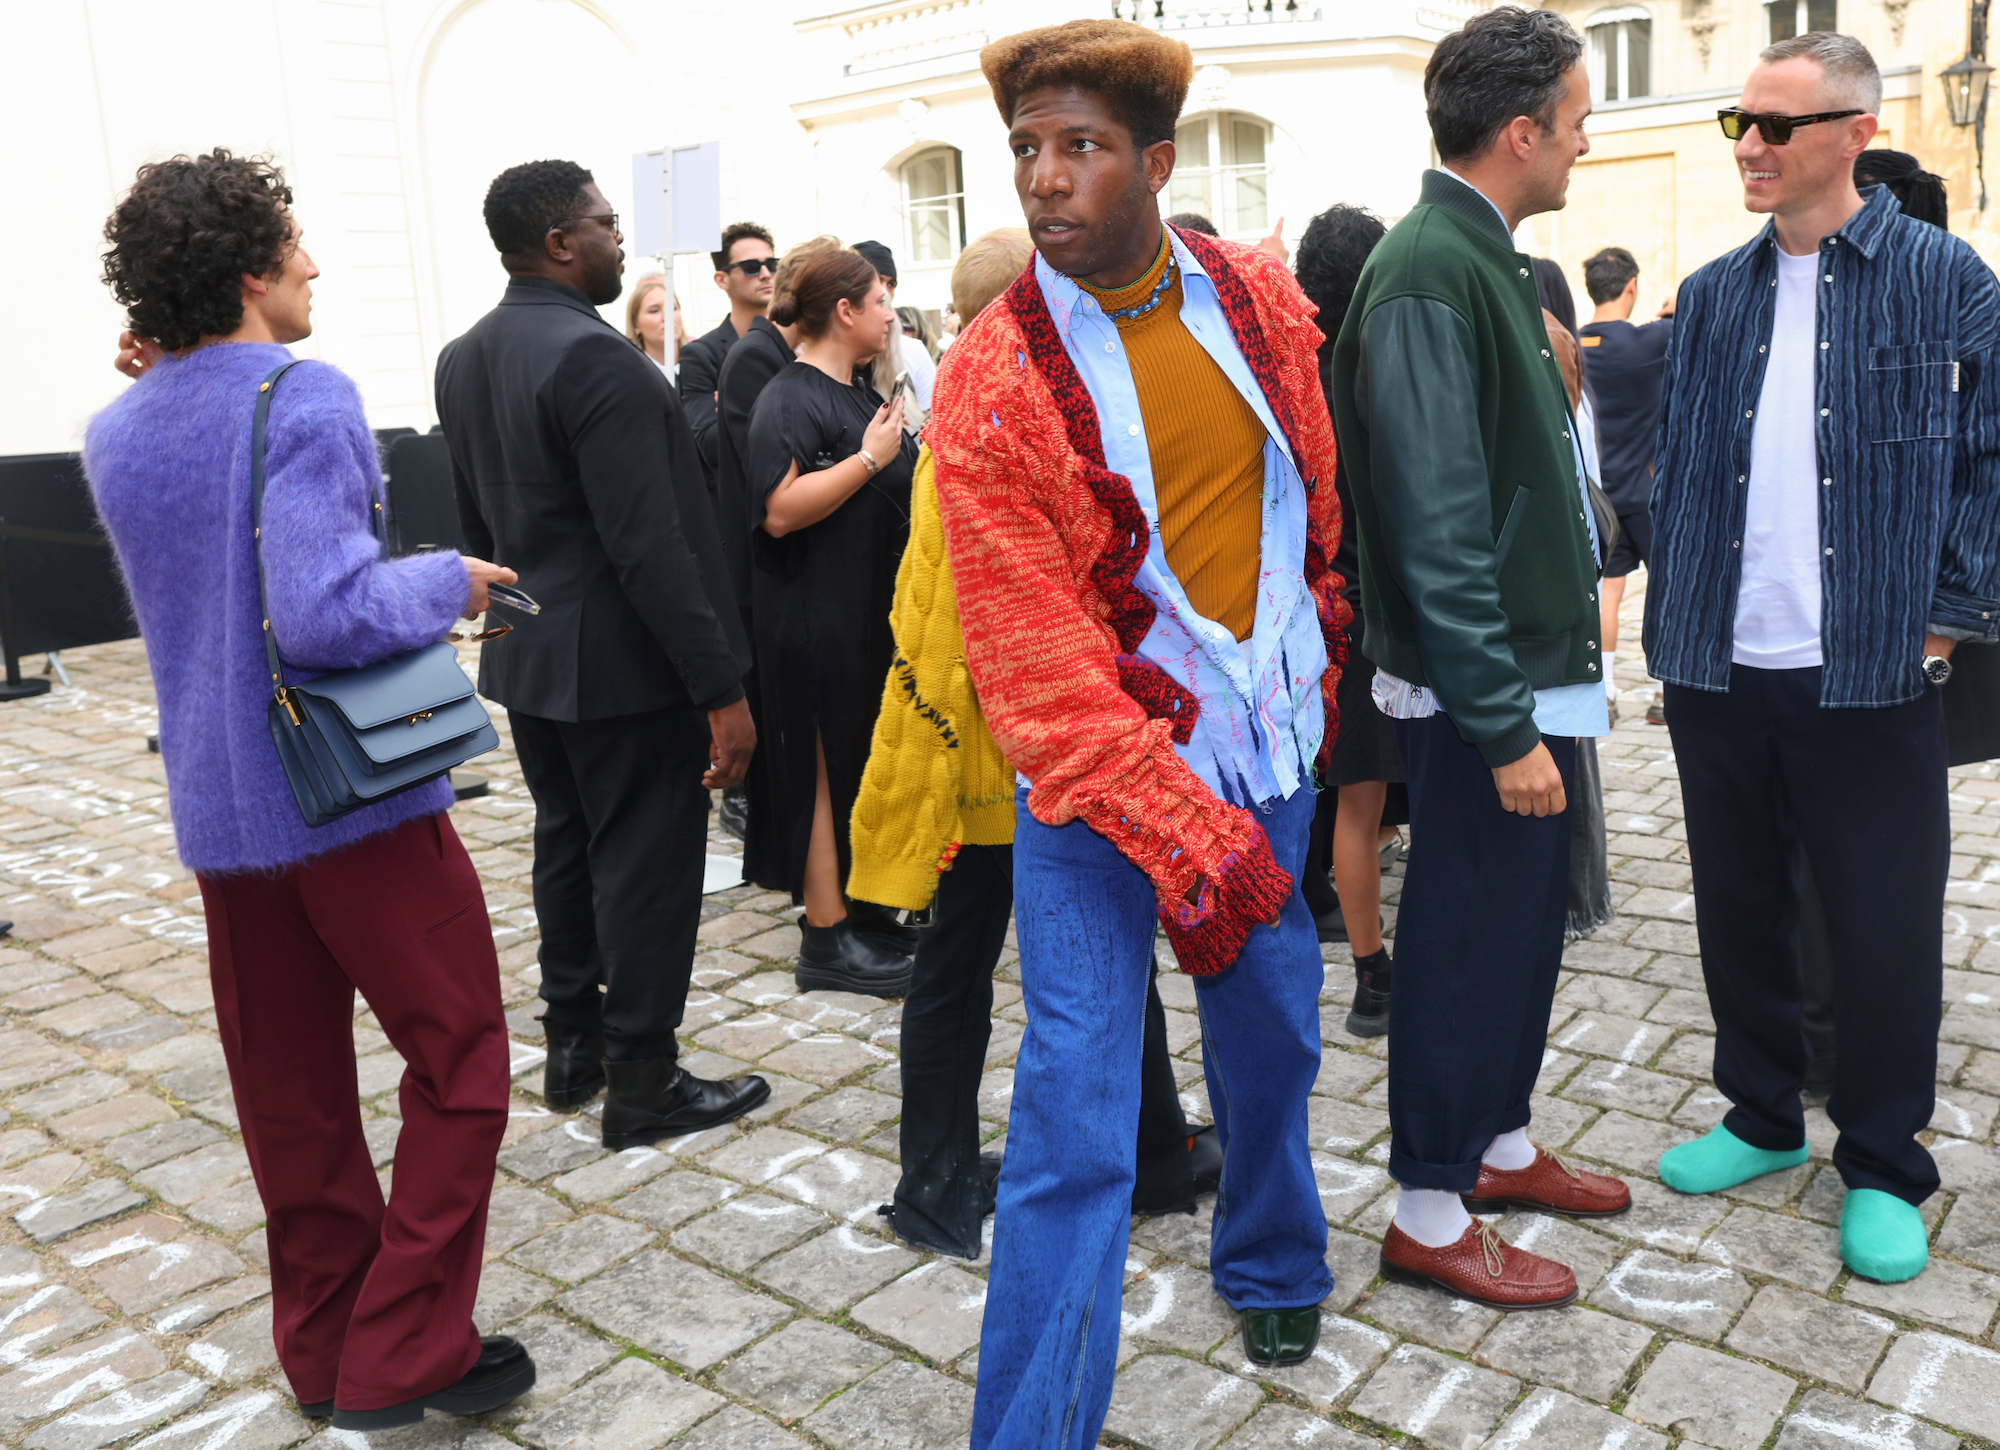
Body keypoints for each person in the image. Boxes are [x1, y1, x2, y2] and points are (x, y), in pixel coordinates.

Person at [932, 21, 1349, 1441]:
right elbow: (1037, 676)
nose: (1045, 181)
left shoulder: (1255, 294)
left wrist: (1322, 646)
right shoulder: (988, 379)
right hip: (1091, 792)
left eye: (1081, 148)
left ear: (1156, 162)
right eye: (1028, 152)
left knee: (1272, 1035)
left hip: (1263, 747)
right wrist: (1189, 840)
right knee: (1072, 1107)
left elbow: (1311, 505)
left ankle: (1276, 1252)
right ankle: (1032, 1425)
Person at [85, 149, 533, 1432]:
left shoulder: (118, 428)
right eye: (295, 244)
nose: (315, 263)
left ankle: (329, 1348)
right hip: (353, 803)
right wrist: (449, 578)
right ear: (246, 272)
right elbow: (329, 613)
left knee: (291, 1101)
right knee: (461, 1059)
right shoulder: (307, 395)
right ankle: (403, 1352)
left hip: (226, 816)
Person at [1645, 34, 2000, 1285]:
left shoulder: (1943, 278)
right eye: (1737, 121)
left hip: (1873, 667)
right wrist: (1670, 623)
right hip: (1718, 663)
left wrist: (1944, 618)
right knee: (1736, 905)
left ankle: (1885, 1161)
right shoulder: (1715, 292)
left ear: (1853, 131)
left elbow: (1988, 462)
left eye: (1774, 124)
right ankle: (1756, 1113)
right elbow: (1679, 469)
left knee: (1882, 923)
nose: (1747, 143)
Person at [1330, 4, 1632, 1314]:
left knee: (1520, 933)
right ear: (1520, 132)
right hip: (1481, 686)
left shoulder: (1483, 254)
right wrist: (1504, 724)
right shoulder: (1423, 269)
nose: (1582, 141)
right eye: (1573, 121)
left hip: (1520, 667)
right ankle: (1427, 1206)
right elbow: (1439, 512)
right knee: (1460, 939)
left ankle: (1498, 1145)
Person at [848, 227, 1221, 1259]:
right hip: (995, 746)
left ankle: (1150, 1149)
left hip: (1033, 736)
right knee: (964, 963)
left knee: (1099, 948)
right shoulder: (993, 402)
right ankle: (932, 1180)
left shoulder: (998, 390)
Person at [435, 159, 767, 1150]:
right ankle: (643, 1077)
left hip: (529, 650)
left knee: (567, 845)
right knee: (647, 863)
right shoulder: (599, 361)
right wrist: (721, 688)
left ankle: (572, 1045)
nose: (620, 238)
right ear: (556, 243)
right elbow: (649, 544)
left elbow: (475, 526)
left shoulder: (463, 355)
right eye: (603, 223)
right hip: (624, 664)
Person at [748, 248, 920, 993]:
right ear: (844, 311)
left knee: (860, 765)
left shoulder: (852, 391)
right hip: (813, 617)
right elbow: (779, 511)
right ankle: (826, 938)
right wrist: (871, 460)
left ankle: (867, 912)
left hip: (863, 616)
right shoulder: (788, 397)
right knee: (819, 772)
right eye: (879, 301)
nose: (890, 314)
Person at [1292, 203, 1401, 1034]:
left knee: (1353, 808)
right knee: (1414, 799)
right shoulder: (1380, 365)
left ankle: (1372, 976)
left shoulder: (1286, 377)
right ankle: (1417, 961)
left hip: (1324, 619)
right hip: (1394, 613)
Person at [716, 236, 847, 882]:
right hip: (771, 572)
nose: (763, 276)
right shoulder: (758, 363)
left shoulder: (791, 360)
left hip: (813, 574)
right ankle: (799, 876)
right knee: (790, 740)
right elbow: (769, 481)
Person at [1578, 245, 1673, 704]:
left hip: (1598, 496)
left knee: (1607, 592)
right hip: (1646, 490)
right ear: (1632, 286)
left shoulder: (1568, 344)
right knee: (1667, 587)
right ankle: (1662, 692)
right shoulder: (1647, 341)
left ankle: (1607, 691)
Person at [681, 221, 778, 475]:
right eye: (751, 267)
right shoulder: (701, 354)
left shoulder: (799, 344)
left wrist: (731, 405)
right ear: (722, 279)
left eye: (772, 264)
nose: (766, 274)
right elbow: (708, 446)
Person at [852, 240, 938, 416]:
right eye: (876, 280)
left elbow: (933, 415)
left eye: (890, 284)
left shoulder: (913, 349)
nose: (884, 290)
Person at [625, 274, 674, 378]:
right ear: (635, 324)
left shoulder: (704, 357)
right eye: (654, 311)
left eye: (672, 308)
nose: (667, 317)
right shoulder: (628, 372)